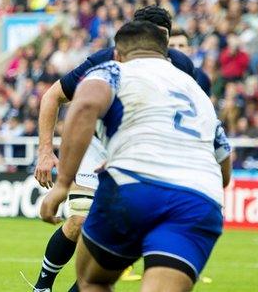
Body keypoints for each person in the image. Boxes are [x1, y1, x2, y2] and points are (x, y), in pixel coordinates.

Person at [40, 21, 231, 292]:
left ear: (118, 54)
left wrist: (62, 185)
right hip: (200, 198)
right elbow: (224, 162)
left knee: (93, 280)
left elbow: (84, 107)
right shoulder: (195, 88)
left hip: (136, 185)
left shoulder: (114, 70)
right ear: (167, 54)